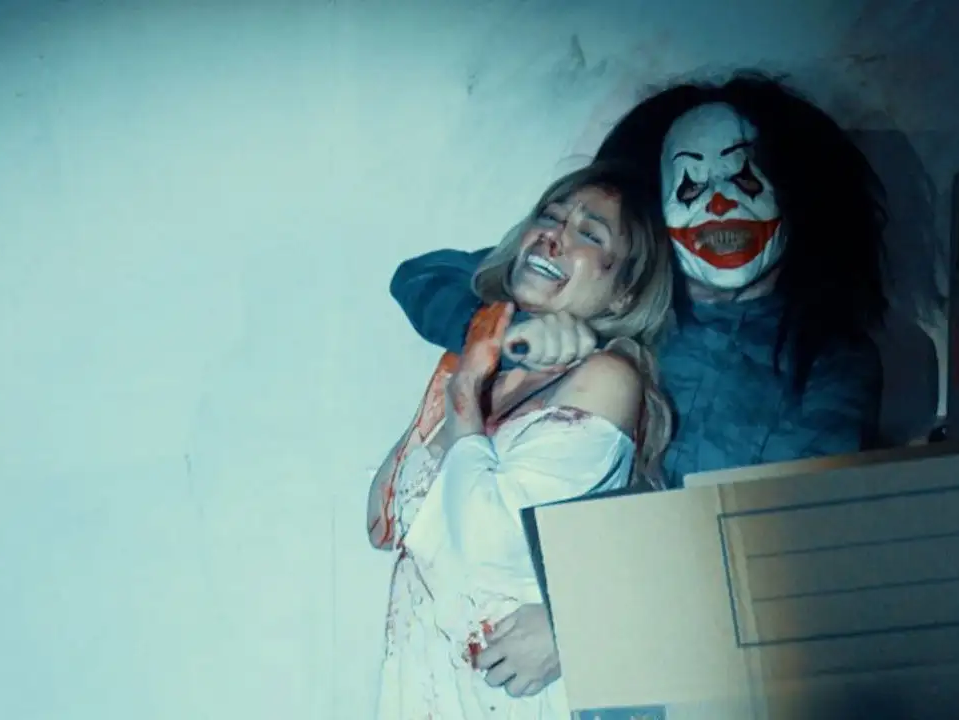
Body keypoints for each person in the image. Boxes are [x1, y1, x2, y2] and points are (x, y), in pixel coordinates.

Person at [387, 71, 889, 697]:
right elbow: (427, 276)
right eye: (691, 183)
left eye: (743, 178)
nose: (719, 206)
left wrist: (583, 618)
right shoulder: (623, 293)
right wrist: (518, 330)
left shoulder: (831, 361)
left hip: (702, 674)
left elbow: (783, 542)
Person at [368, 163, 674, 718]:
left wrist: (466, 391)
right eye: (550, 217)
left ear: (623, 293)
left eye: (589, 234)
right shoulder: (488, 361)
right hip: (428, 690)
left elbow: (488, 544)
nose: (554, 236)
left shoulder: (604, 380)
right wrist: (484, 352)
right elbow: (383, 523)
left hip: (514, 700)